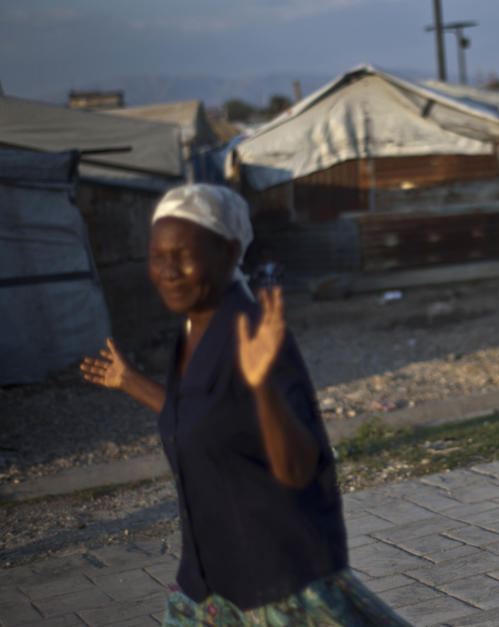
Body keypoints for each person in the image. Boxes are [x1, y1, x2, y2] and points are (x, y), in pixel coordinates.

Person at [80, 184, 408, 625]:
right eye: (158, 256)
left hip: (274, 588)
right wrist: (131, 382)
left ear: (231, 252)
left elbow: (298, 468)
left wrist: (261, 389)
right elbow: (204, 421)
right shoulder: (194, 330)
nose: (168, 270)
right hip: (207, 582)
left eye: (183, 254)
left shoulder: (254, 334)